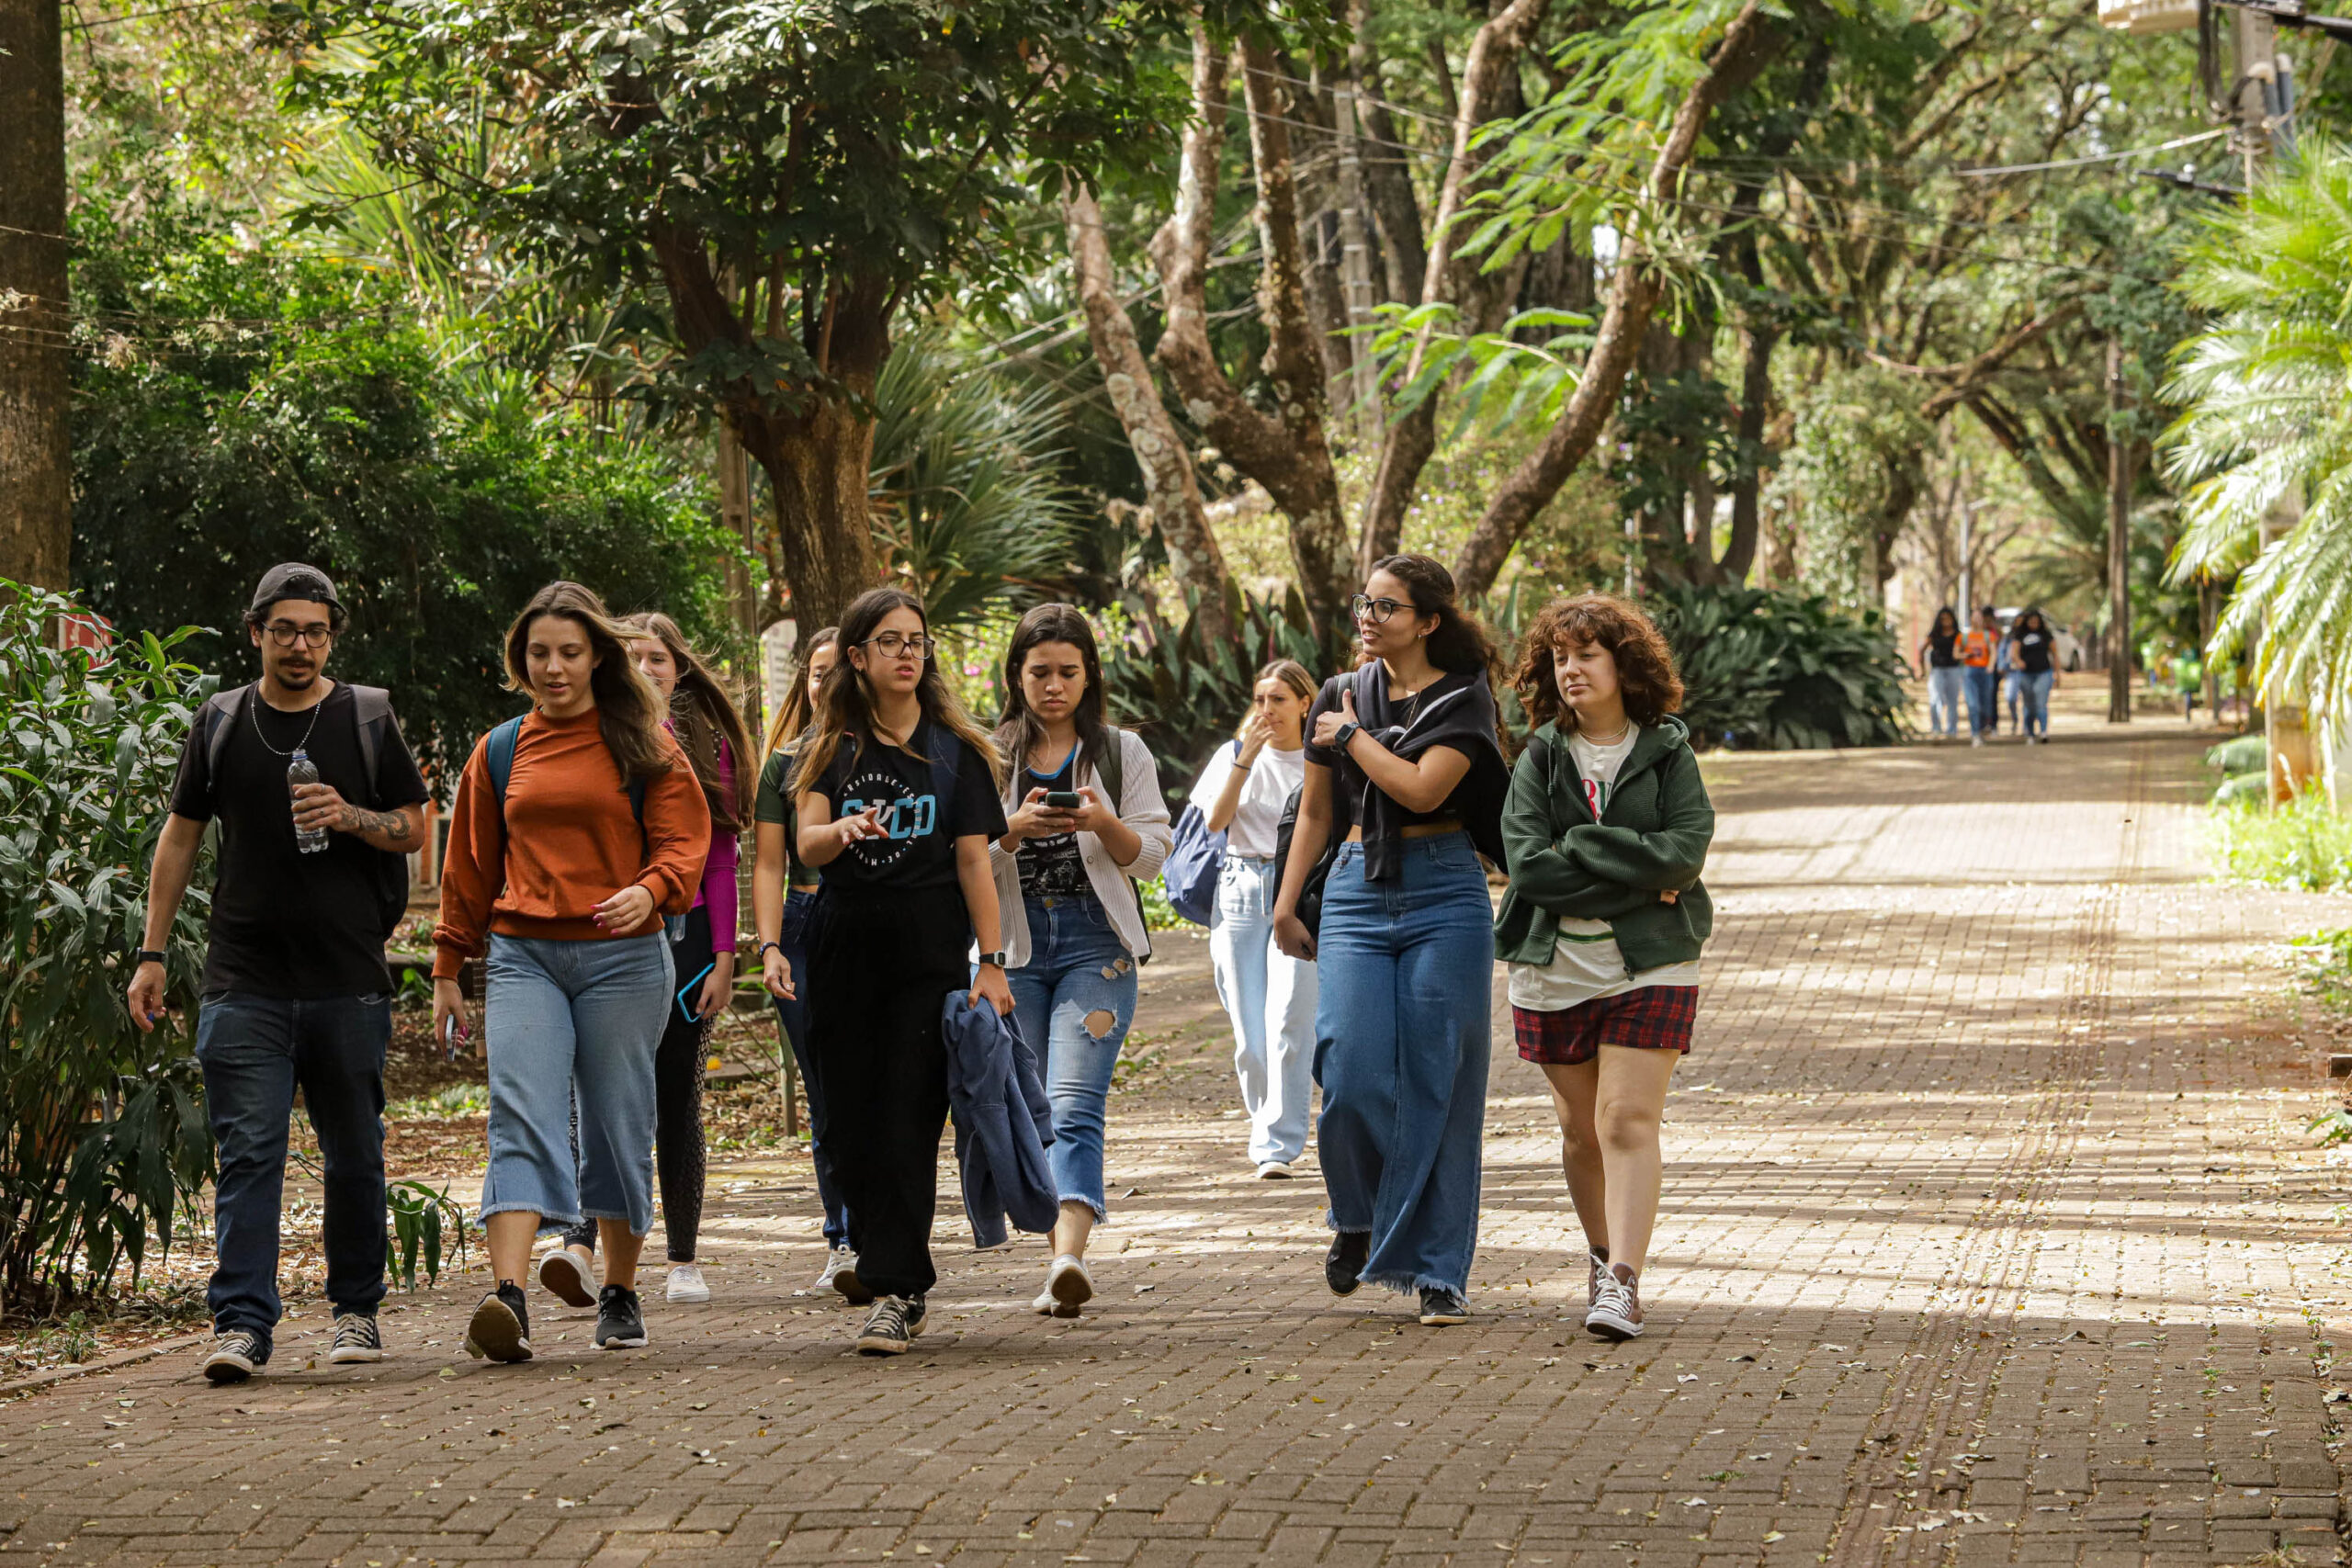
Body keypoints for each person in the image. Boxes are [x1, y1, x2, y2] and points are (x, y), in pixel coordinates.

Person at [129, 564, 429, 1385]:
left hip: (348, 976)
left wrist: (350, 814)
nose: (301, 644)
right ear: (256, 631)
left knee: (354, 1154)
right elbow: (180, 837)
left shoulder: (365, 715)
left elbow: (413, 827)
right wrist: (152, 953)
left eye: (316, 630)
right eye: (285, 629)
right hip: (243, 978)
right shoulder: (221, 720)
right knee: (250, 1152)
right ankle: (241, 1324)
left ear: (332, 636)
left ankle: (355, 1312)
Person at [432, 582, 710, 1363]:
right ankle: (509, 1297)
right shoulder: (499, 749)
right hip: (524, 953)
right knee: (519, 1109)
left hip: (624, 958)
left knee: (619, 1124)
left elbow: (684, 840)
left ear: (596, 657)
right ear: (521, 660)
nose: (553, 667)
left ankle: (619, 1289)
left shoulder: (643, 743)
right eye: (539, 653)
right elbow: (470, 864)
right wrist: (448, 961)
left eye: (569, 652)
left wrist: (649, 889)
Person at [1273, 554, 1510, 1328]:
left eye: (1387, 608)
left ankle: (1441, 1271)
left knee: (1444, 1081)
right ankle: (1359, 1214)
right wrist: (1285, 902)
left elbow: (1419, 788)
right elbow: (1313, 812)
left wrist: (1352, 737)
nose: (1367, 618)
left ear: (1429, 621)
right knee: (1348, 1063)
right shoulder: (1341, 692)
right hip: (1353, 885)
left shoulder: (1464, 700)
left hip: (1446, 887)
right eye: (1363, 604)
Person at [792, 588, 1011, 1356]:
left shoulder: (957, 751)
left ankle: (898, 1287)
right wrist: (841, 829)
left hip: (928, 950)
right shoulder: (832, 745)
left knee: (907, 1118)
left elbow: (975, 861)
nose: (908, 653)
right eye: (890, 641)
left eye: (916, 640)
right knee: (849, 1125)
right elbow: (806, 843)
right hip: (842, 942)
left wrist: (992, 961)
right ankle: (884, 1261)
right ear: (858, 656)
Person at [1491, 593, 1714, 1341]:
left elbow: (1685, 851)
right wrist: (1627, 866)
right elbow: (1529, 869)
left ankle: (1622, 1281)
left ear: (1624, 663)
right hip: (1552, 967)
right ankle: (1599, 1253)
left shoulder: (1668, 751)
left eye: (1587, 654)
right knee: (1582, 1131)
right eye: (1560, 657)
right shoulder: (1538, 760)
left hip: (1652, 960)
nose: (1572, 668)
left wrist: (1579, 845)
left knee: (1625, 1118)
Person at [541, 613, 753, 1310]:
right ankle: (578, 1240)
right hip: (598, 939)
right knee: (589, 1090)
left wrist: (725, 955)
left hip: (687, 941)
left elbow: (720, 859)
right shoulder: (582, 734)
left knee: (674, 1095)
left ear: (678, 668)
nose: (646, 666)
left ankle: (683, 1257)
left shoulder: (704, 745)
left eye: (657, 656)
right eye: (631, 655)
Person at [989, 604, 1173, 1319]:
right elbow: (960, 853)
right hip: (1014, 947)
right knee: (1033, 1107)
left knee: (1075, 1102)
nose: (1054, 686)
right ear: (1017, 676)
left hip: (1099, 948)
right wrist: (1012, 828)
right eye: (1040, 672)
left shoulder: (1123, 752)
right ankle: (1054, 1255)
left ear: (1090, 674)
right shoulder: (985, 750)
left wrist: (1103, 821)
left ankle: (1068, 1256)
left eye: (1068, 671)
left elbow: (1154, 858)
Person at [750, 626, 858, 1296]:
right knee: (825, 1086)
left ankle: (884, 1229)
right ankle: (842, 1238)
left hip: (873, 924)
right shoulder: (783, 763)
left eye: (833, 671)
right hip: (802, 925)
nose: (823, 684)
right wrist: (767, 947)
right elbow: (766, 863)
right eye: (814, 673)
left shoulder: (885, 751)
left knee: (873, 1082)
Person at [1191, 660, 1319, 1178]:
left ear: (1305, 703)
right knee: (1249, 1032)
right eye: (1261, 699)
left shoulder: (1321, 757)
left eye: (1279, 700)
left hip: (1300, 888)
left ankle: (1276, 1145)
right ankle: (1267, 1119)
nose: (1267, 710)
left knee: (1290, 1018)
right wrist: (1245, 759)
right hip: (1241, 888)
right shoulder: (1234, 753)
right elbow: (1216, 821)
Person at [2010, 607, 2060, 743]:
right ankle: (2030, 732)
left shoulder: (2046, 635)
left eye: (2036, 621)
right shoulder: (2020, 635)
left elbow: (2055, 654)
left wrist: (2057, 674)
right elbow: (2013, 652)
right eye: (2031, 621)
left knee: (2041, 702)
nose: (2033, 623)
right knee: (2029, 705)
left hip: (2043, 672)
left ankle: (2043, 732)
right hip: (2026, 674)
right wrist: (2019, 661)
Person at [1917, 606, 1963, 740]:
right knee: (1935, 698)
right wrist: (1922, 669)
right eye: (1943, 618)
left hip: (1954, 670)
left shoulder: (1958, 635)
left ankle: (1952, 730)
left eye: (1948, 618)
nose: (1946, 621)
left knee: (1952, 700)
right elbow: (1922, 650)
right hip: (1937, 670)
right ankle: (1936, 728)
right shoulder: (1934, 635)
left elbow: (1964, 651)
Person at [1960, 606, 2000, 747]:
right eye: (1974, 617)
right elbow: (1956, 653)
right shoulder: (1964, 636)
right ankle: (1975, 733)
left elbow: (1994, 652)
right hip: (1970, 672)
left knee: (1986, 705)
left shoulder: (1989, 635)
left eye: (1979, 617)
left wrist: (1990, 666)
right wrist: (1963, 655)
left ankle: (1984, 728)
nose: (1977, 619)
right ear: (1971, 618)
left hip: (1985, 672)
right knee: (1973, 705)